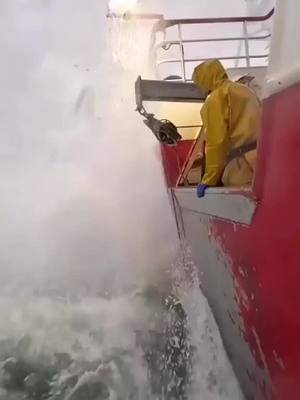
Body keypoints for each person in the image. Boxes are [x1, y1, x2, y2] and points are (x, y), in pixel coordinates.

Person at [192, 59, 261, 197]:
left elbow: (216, 142)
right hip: (262, 159)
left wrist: (209, 178)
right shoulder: (245, 90)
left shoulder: (215, 98)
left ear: (205, 79)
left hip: (241, 165)